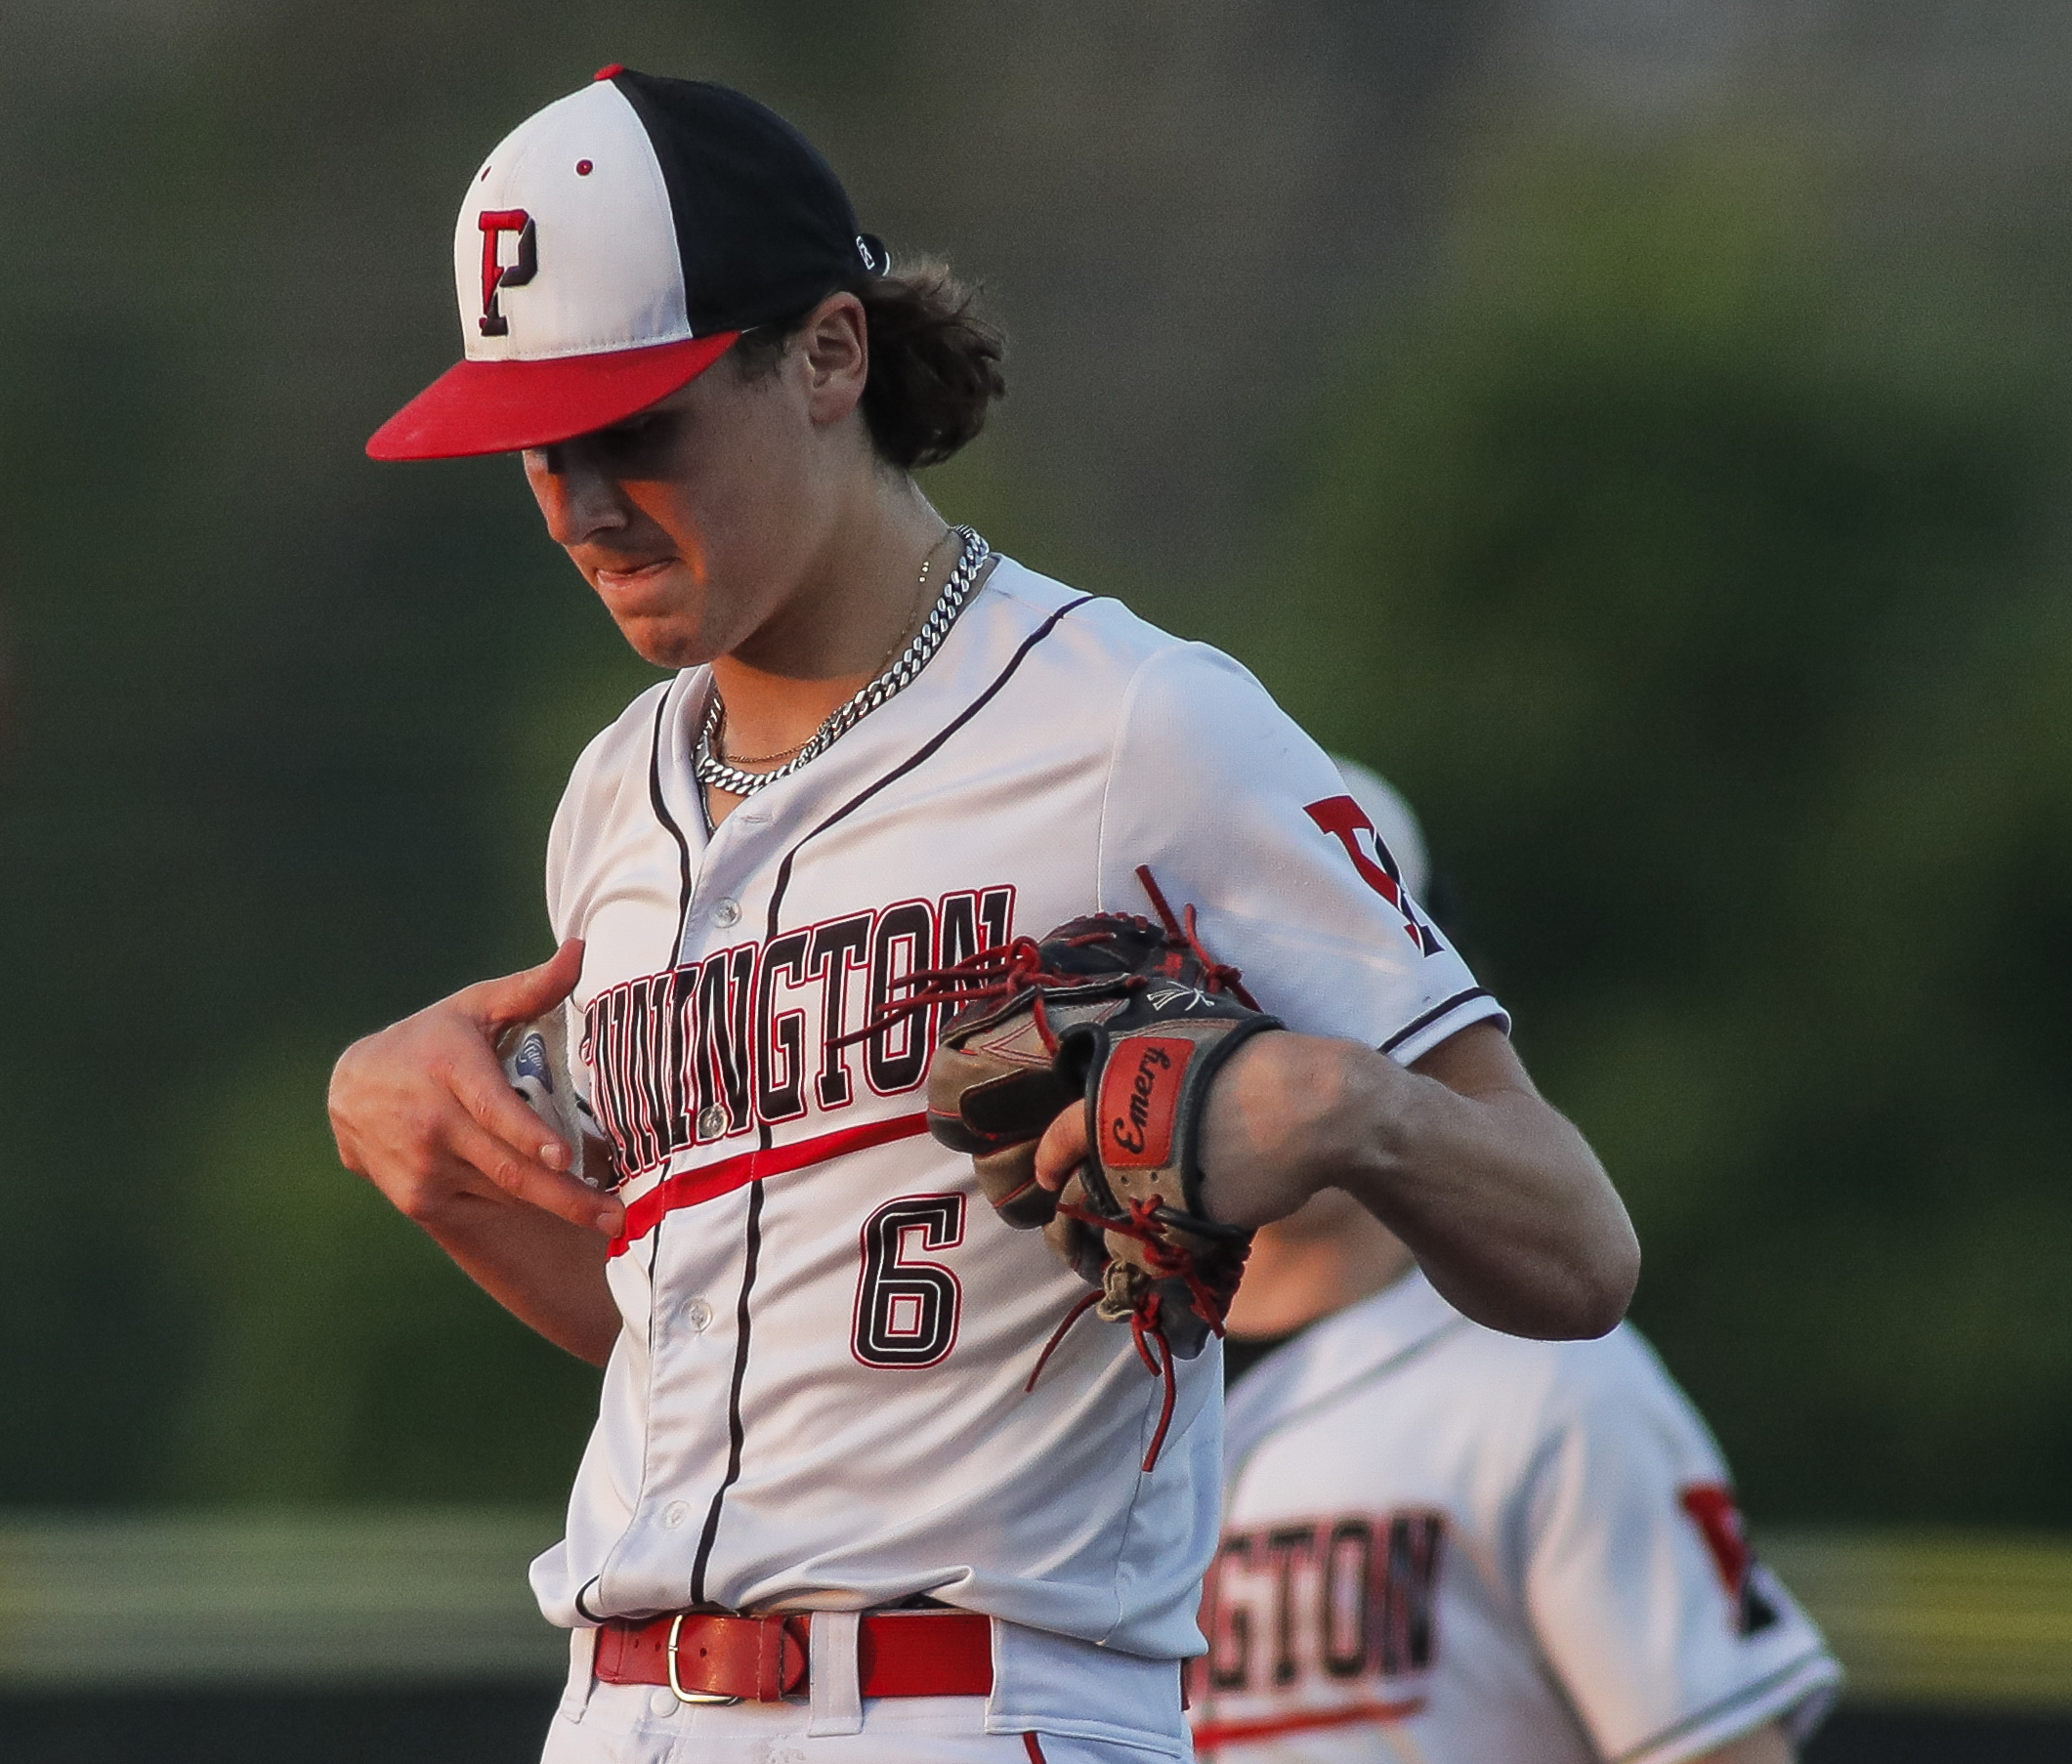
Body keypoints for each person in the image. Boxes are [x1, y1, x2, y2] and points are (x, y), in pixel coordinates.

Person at [323, 66, 1637, 1764]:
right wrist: (430, 1164)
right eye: (539, 445)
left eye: (637, 427)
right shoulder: (613, 799)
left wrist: (1349, 1110)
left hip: (975, 1707)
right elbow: (706, 1359)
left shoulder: (1136, 726)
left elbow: (1579, 1245)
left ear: (826, 355)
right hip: (621, 1710)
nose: (580, 502)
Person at [1189, 766, 1840, 1764]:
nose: (1277, 1037)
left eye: (1327, 988)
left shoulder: (1554, 1387)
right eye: (1230, 985)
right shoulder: (1055, 1383)